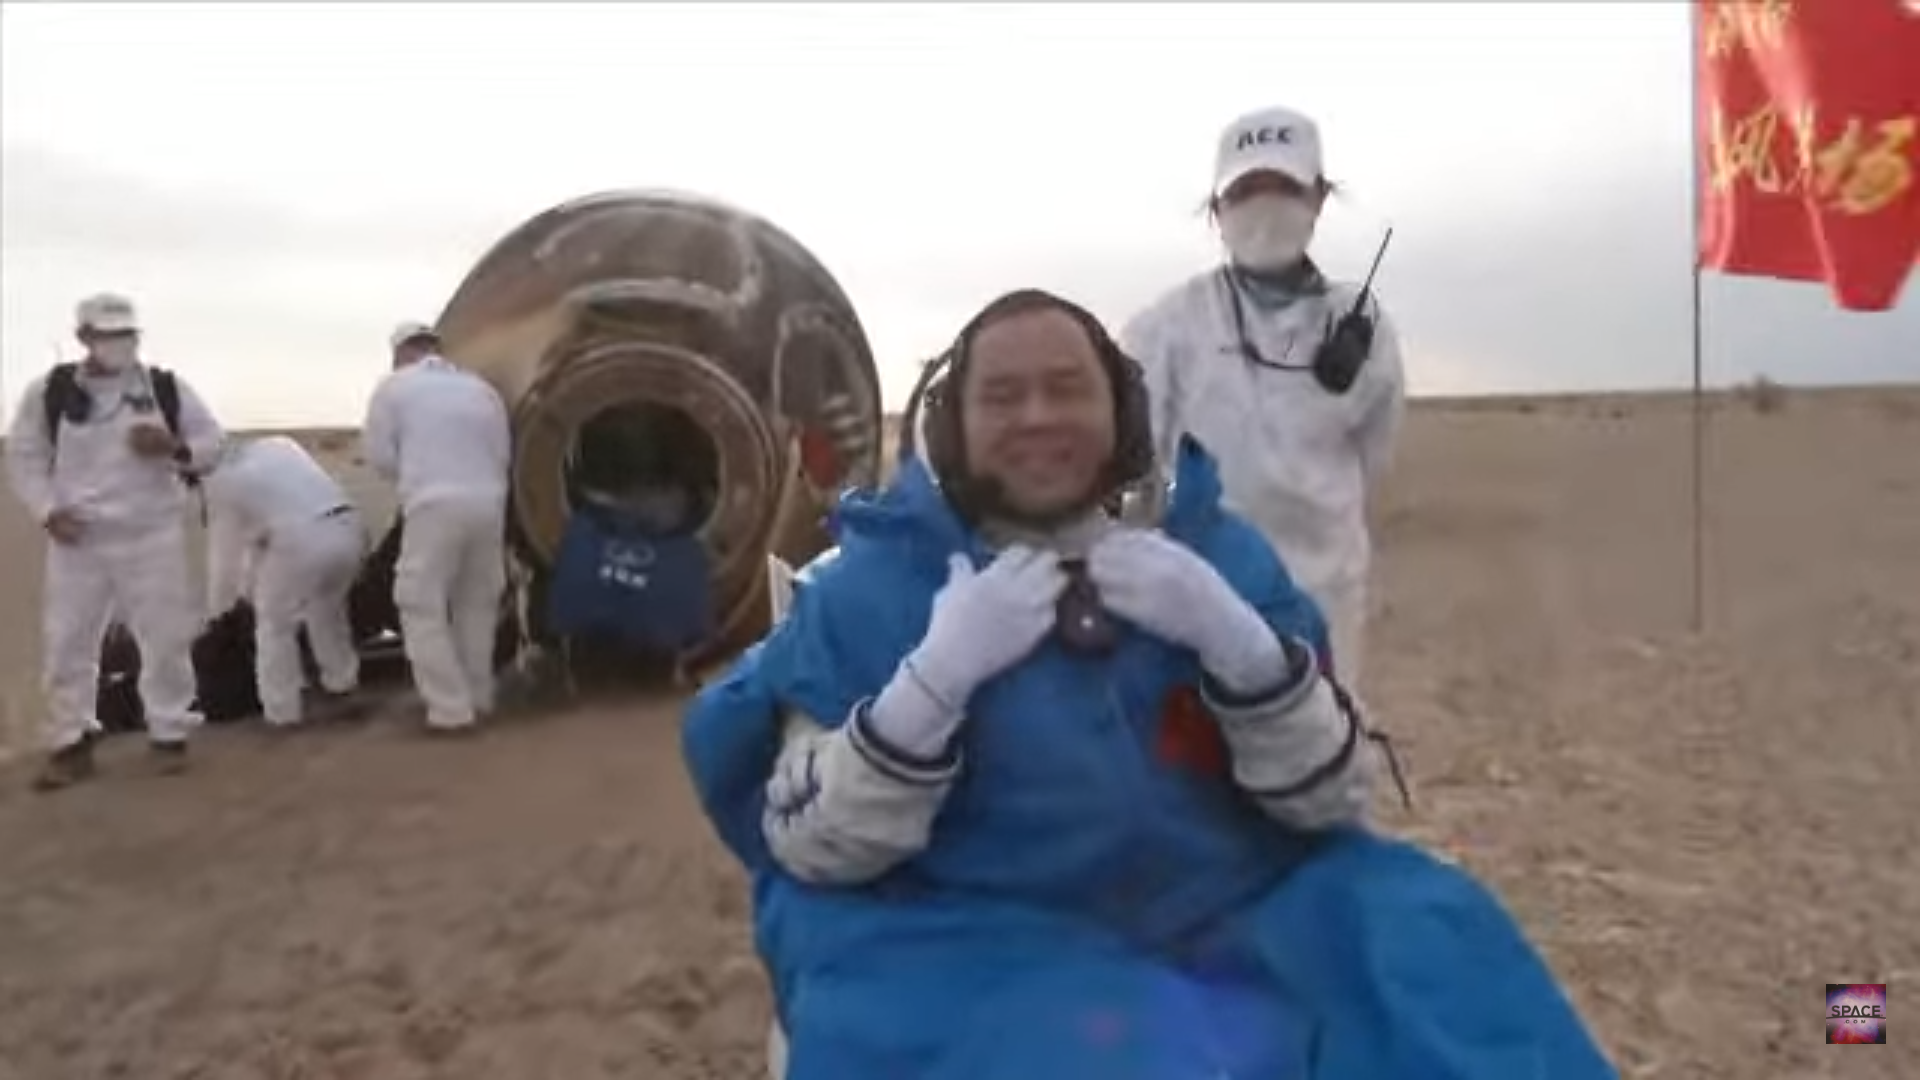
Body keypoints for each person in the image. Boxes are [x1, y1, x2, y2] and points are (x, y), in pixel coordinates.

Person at [683, 290, 1612, 1079]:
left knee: (1442, 952)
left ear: (1121, 413)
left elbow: (1335, 797)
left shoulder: (1216, 559)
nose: (1039, 416)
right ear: (951, 429)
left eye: (1066, 389)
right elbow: (811, 848)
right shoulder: (865, 596)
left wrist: (1243, 650)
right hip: (970, 932)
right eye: (1003, 396)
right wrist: (930, 685)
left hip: (1233, 901)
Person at [1122, 105, 1406, 687]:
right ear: (1217, 208)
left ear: (1319, 197)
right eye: (1248, 189)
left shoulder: (1361, 322)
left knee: (1323, 753)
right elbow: (1134, 465)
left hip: (1327, 595)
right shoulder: (1167, 325)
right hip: (1201, 595)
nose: (1265, 204)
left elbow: (1376, 451)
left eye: (1284, 186)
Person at [4, 293, 225, 790]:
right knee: (68, 642)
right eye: (108, 335)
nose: (118, 345)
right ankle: (71, 740)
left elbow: (212, 445)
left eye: (126, 335)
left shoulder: (166, 388)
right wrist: (47, 511)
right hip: (79, 540)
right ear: (83, 337)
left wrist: (173, 448)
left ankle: (169, 731)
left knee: (165, 635)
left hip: (152, 534)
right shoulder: (50, 393)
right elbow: (26, 457)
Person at [361, 321, 512, 733]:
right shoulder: (481, 389)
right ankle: (479, 697)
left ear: (400, 353)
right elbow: (502, 452)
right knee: (476, 605)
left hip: (433, 503)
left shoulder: (394, 388)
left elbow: (380, 456)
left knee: (418, 602)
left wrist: (416, 476)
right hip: (489, 504)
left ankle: (449, 708)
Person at [200, 434, 367, 728]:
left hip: (302, 538)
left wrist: (220, 609)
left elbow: (226, 556)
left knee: (273, 623)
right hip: (349, 527)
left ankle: (282, 710)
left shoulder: (221, 483)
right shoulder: (280, 446)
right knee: (327, 608)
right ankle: (342, 685)